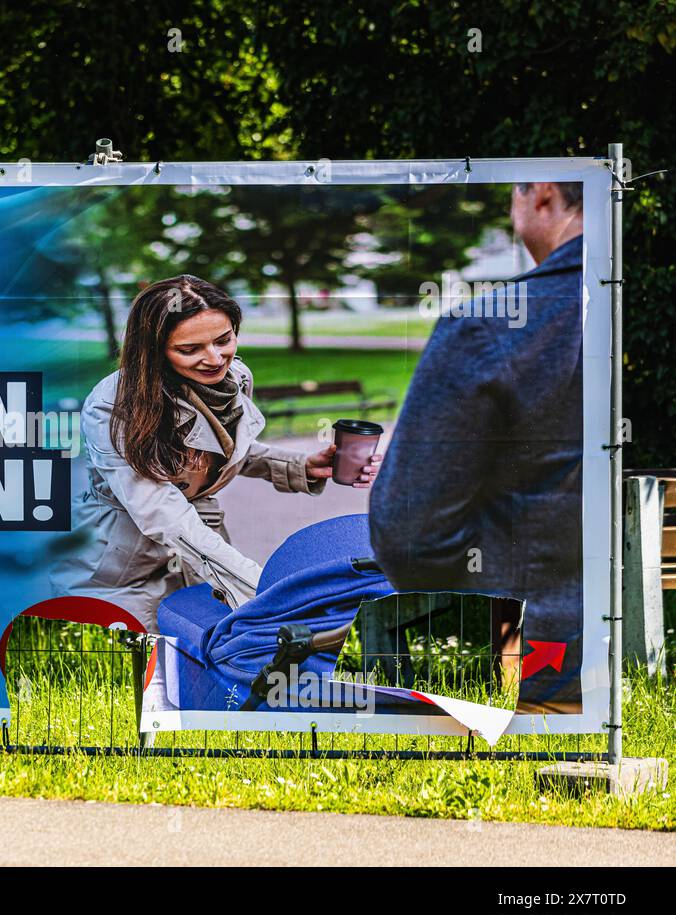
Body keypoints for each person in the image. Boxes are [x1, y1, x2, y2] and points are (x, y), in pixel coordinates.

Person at [51, 275, 381, 631]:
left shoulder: (234, 378)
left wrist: (299, 465)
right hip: (121, 565)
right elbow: (162, 512)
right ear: (154, 350)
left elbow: (220, 447)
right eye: (190, 349)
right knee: (143, 675)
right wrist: (264, 588)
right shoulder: (113, 406)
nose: (215, 358)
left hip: (201, 551)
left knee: (209, 659)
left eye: (224, 340)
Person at [368, 181, 585, 712]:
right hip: (627, 655)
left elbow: (410, 534)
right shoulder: (635, 310)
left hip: (524, 658)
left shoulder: (490, 328)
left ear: (541, 195)